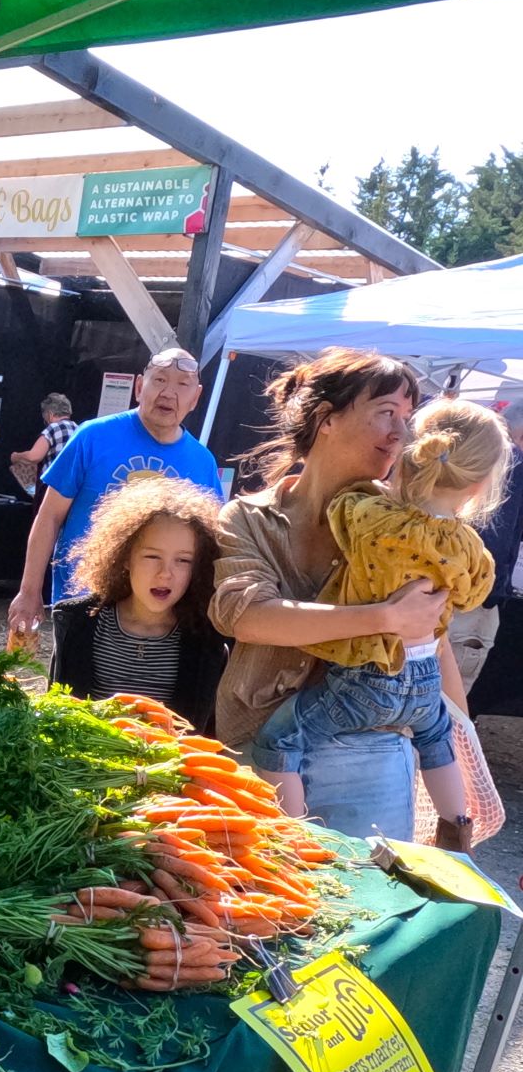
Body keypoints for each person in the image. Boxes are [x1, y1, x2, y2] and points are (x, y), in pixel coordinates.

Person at [211, 349, 455, 841]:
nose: (401, 434)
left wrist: (461, 741)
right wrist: (384, 617)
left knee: (364, 885)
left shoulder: (408, 524)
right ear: (327, 419)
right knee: (260, 884)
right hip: (253, 740)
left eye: (407, 417)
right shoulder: (247, 517)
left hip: (368, 755)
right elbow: (246, 615)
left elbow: (434, 639)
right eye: (386, 412)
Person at [249, 399, 506, 850]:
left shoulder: (373, 518)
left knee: (278, 739)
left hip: (368, 678)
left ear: (410, 454)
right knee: (437, 740)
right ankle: (456, 835)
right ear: (478, 485)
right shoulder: (469, 545)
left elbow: (340, 509)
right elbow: (473, 594)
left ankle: (292, 837)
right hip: (424, 679)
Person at [7, 347, 222, 638]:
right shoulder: (92, 437)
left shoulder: (202, 462)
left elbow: (211, 543)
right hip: (84, 604)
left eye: (182, 384)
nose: (168, 393)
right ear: (139, 387)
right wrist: (29, 591)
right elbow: (49, 517)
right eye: (159, 380)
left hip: (162, 618)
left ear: (195, 398)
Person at [50, 479, 227, 734]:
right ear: (124, 557)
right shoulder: (78, 621)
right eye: (152, 556)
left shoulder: (209, 638)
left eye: (183, 560)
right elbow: (56, 710)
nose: (165, 573)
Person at [447, 400, 523, 693]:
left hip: (443, 594)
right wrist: (490, 595)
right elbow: (496, 539)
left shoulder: (462, 452)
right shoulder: (510, 459)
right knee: (448, 702)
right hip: (469, 604)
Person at [10, 392, 76, 496]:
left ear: (50, 414)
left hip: (53, 487)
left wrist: (16, 456)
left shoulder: (53, 428)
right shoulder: (78, 429)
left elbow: (34, 456)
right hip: (73, 487)